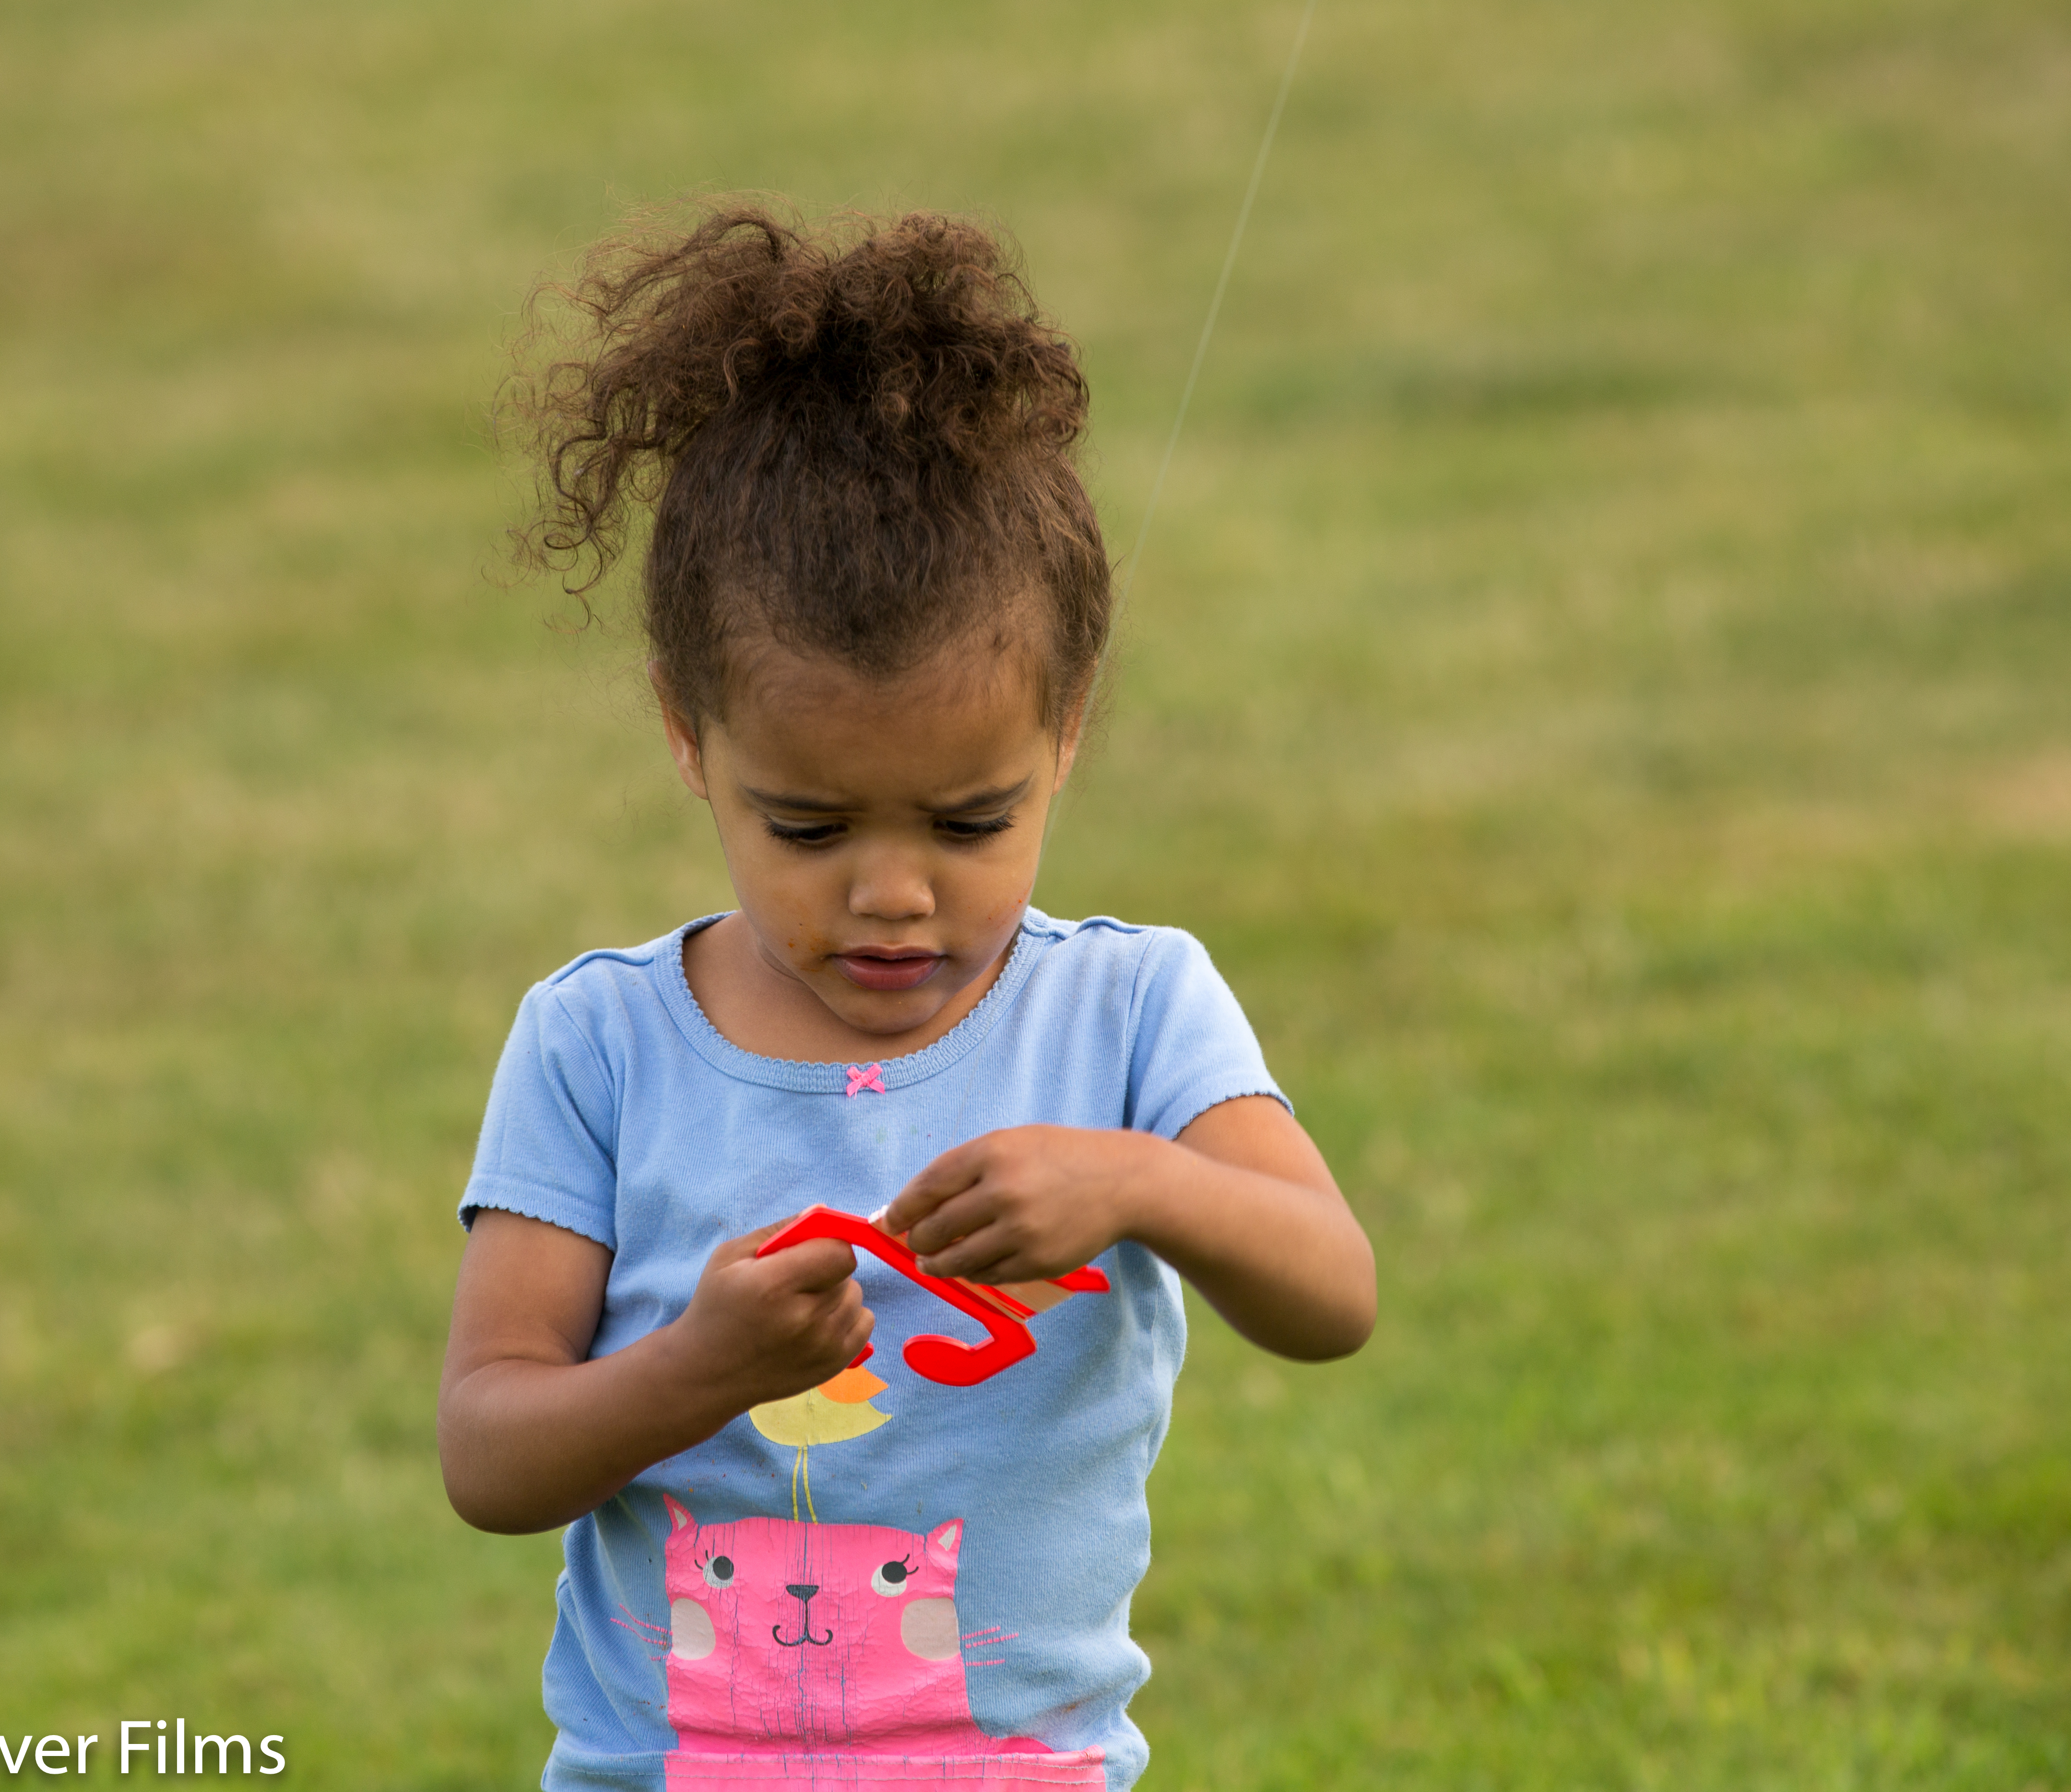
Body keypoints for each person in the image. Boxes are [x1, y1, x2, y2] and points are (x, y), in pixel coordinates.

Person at [438, 203, 1376, 1792]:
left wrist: (1144, 1180)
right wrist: (703, 1368)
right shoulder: (596, 1046)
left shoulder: (1136, 1016)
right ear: (692, 736)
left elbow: (1332, 1291)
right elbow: (487, 1450)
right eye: (808, 828)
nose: (891, 892)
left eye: (969, 821)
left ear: (1067, 730)